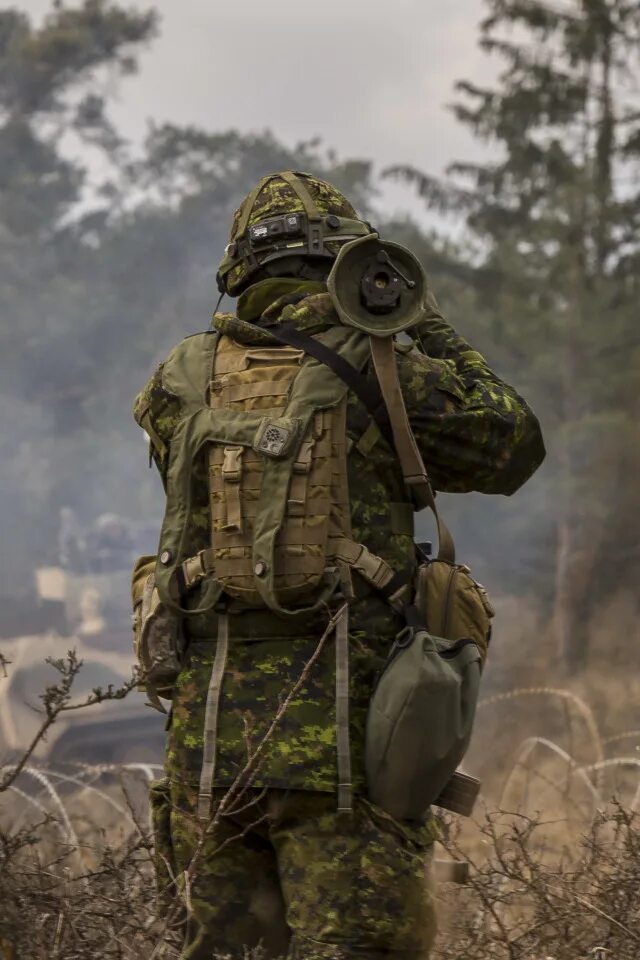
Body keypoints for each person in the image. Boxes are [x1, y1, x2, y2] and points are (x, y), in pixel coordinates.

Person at [133, 171, 545, 960]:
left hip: (208, 755)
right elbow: (512, 442)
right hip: (350, 754)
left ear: (241, 273)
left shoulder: (177, 380)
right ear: (348, 262)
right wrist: (420, 321)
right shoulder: (387, 369)